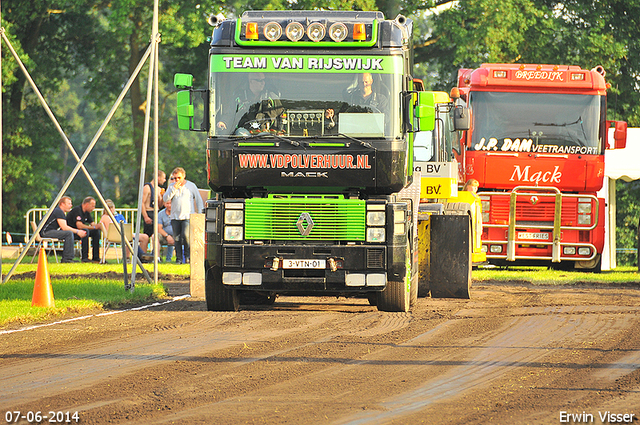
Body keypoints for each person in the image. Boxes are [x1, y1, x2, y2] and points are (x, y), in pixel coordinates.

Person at [216, 72, 284, 135]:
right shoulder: (239, 97)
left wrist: (279, 131)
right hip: (244, 135)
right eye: (259, 80)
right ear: (250, 81)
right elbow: (230, 113)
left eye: (264, 80)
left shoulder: (272, 97)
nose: (263, 83)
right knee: (240, 133)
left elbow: (281, 114)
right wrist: (223, 122)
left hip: (265, 134)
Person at [163, 167, 204, 264]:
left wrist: (200, 213)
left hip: (187, 216)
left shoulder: (191, 186)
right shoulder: (171, 186)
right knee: (176, 238)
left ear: (183, 176)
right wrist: (173, 189)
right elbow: (165, 198)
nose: (177, 180)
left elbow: (198, 199)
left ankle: (188, 257)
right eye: (175, 178)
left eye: (179, 177)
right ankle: (179, 258)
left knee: (186, 236)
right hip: (175, 217)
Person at [41, 196, 86, 263]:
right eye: (69, 204)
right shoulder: (59, 212)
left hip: (46, 231)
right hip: (46, 232)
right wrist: (78, 231)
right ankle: (67, 259)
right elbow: (64, 227)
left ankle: (68, 257)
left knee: (68, 233)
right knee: (68, 233)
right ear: (62, 204)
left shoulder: (58, 211)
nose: (71, 205)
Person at [67, 196, 101, 263]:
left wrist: (98, 226)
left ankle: (96, 257)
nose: (93, 208)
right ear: (87, 204)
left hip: (80, 231)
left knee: (96, 232)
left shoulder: (87, 213)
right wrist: (93, 227)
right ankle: (85, 257)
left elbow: (92, 223)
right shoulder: (77, 210)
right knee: (85, 231)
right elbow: (79, 226)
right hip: (72, 232)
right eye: (92, 206)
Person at [142, 170, 166, 238]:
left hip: (157, 212)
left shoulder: (159, 189)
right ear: (158, 177)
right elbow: (142, 203)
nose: (164, 180)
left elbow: (160, 205)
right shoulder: (147, 187)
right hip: (149, 212)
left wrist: (162, 197)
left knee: (157, 234)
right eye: (163, 178)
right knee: (147, 235)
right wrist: (145, 217)